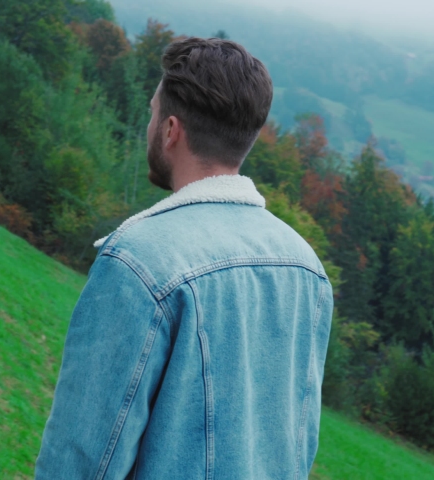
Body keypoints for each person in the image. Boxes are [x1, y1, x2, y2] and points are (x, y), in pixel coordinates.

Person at [35, 37, 333, 479]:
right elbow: (297, 447)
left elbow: (83, 460)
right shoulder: (307, 268)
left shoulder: (139, 260)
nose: (151, 123)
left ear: (171, 130)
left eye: (154, 112)